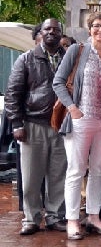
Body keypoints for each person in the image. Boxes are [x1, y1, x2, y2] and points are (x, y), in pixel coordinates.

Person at [53, 11, 101, 240]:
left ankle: (93, 216)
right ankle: (72, 220)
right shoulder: (78, 51)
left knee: (99, 171)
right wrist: (72, 108)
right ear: (89, 28)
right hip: (80, 120)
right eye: (97, 26)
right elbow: (58, 82)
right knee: (76, 171)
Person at [5, 18, 68, 235]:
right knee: (32, 176)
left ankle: (55, 217)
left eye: (56, 29)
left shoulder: (68, 58)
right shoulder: (26, 59)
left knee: (58, 174)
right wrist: (16, 123)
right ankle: (31, 218)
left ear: (61, 34)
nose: (52, 32)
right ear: (40, 32)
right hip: (33, 124)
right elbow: (13, 93)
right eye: (47, 29)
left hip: (61, 124)